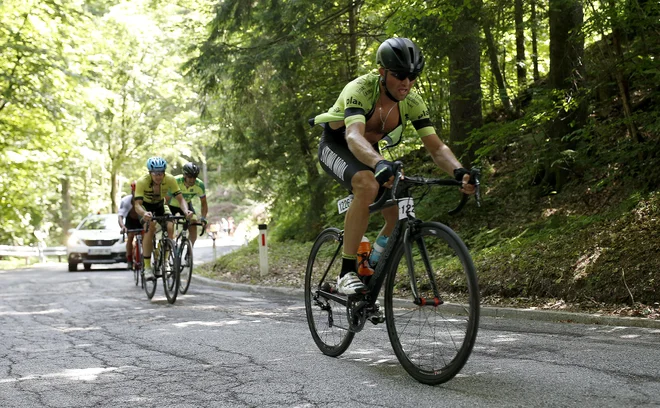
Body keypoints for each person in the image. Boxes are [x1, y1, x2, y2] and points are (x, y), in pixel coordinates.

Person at [309, 37, 475, 295]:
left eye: (412, 76)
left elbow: (436, 147)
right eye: (399, 75)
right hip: (337, 144)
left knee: (396, 211)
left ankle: (370, 269)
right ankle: (346, 271)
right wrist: (378, 163)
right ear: (382, 72)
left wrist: (459, 171)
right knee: (366, 183)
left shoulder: (413, 101)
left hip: (370, 151)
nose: (406, 83)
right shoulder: (361, 89)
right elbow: (353, 135)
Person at [134, 157, 193, 280]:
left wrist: (186, 210)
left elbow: (180, 199)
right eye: (155, 173)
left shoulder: (170, 180)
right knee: (150, 227)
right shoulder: (142, 182)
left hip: (161, 205)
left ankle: (165, 260)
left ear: (164, 172)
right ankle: (147, 267)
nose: (158, 176)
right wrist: (144, 213)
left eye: (161, 173)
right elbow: (137, 204)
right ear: (150, 173)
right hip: (145, 206)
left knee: (170, 227)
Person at [166, 162, 208, 247]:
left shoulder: (199, 185)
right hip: (170, 205)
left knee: (193, 224)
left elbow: (204, 203)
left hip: (186, 206)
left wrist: (203, 218)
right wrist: (166, 215)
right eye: (190, 177)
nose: (192, 179)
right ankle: (169, 248)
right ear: (184, 175)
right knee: (170, 227)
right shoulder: (175, 181)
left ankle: (189, 253)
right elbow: (166, 200)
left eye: (194, 177)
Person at [117, 181, 142, 267]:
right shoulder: (126, 201)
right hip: (130, 220)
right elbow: (120, 216)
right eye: (135, 192)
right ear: (132, 192)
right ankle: (129, 258)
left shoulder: (145, 199)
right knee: (130, 236)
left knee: (146, 234)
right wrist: (123, 226)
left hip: (141, 219)